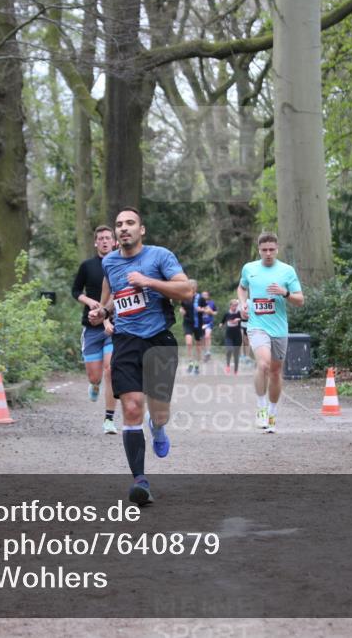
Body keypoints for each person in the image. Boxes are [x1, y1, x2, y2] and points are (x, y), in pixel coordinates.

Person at [89, 207, 193, 506]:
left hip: (158, 339)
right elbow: (112, 298)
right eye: (119, 224)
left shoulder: (159, 256)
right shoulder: (109, 262)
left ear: (141, 230)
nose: (123, 228)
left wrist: (149, 282)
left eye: (130, 223)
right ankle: (140, 481)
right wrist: (102, 312)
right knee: (132, 407)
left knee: (159, 412)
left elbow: (185, 290)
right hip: (126, 341)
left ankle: (158, 427)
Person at [237, 232, 305, 433]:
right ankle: (261, 407)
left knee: (275, 372)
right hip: (257, 326)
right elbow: (241, 288)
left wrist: (284, 293)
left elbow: (300, 300)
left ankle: (272, 412)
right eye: (264, 250)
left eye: (271, 250)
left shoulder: (287, 271)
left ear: (277, 249)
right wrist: (243, 304)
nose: (268, 253)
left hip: (279, 328)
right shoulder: (249, 268)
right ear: (259, 250)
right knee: (264, 364)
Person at [71, 226, 119, 434]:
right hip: (90, 327)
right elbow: (75, 291)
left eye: (108, 238)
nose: (105, 241)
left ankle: (109, 419)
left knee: (111, 370)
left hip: (113, 327)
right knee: (95, 377)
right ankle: (95, 385)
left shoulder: (119, 265)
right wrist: (90, 302)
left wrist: (106, 314)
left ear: (115, 242)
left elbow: (119, 292)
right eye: (101, 238)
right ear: (95, 243)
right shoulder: (87, 266)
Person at [178, 281, 208, 375]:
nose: (190, 289)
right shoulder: (184, 297)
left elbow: (207, 309)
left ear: (195, 288)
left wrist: (201, 309)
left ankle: (196, 365)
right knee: (189, 342)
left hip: (198, 324)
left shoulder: (201, 298)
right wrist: (181, 310)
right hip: (187, 322)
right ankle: (190, 362)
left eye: (192, 287)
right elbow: (182, 307)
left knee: (198, 346)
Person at [220, 299, 243, 374]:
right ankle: (227, 365)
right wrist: (221, 325)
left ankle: (236, 370)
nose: (235, 307)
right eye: (233, 305)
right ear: (230, 306)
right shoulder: (227, 314)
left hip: (237, 335)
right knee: (229, 350)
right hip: (229, 335)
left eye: (236, 305)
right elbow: (222, 322)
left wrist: (239, 319)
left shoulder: (239, 313)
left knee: (236, 353)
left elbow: (245, 319)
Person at [201, 290, 216, 362]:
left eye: (205, 295)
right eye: (202, 295)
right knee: (202, 339)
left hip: (209, 323)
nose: (204, 296)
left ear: (208, 296)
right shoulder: (198, 303)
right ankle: (205, 353)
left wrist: (210, 311)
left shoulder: (212, 303)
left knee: (207, 336)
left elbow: (215, 312)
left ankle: (208, 351)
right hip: (200, 323)